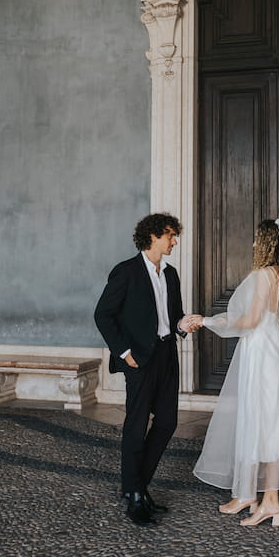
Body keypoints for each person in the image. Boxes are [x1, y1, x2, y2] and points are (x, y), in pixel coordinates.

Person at [192, 219, 279, 527]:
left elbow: (248, 322)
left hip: (259, 353)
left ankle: (266, 500)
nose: (251, 245)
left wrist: (206, 321)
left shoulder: (262, 276)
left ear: (265, 243)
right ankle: (257, 497)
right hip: (274, 352)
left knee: (257, 422)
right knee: (270, 425)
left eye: (255, 240)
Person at [94, 213, 200, 527]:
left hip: (167, 354)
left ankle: (137, 487)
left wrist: (185, 323)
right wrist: (125, 354)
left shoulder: (171, 274)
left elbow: (174, 317)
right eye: (171, 235)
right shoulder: (126, 272)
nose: (175, 241)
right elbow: (103, 315)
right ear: (153, 235)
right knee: (136, 425)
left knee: (167, 422)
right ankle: (135, 495)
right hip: (138, 360)